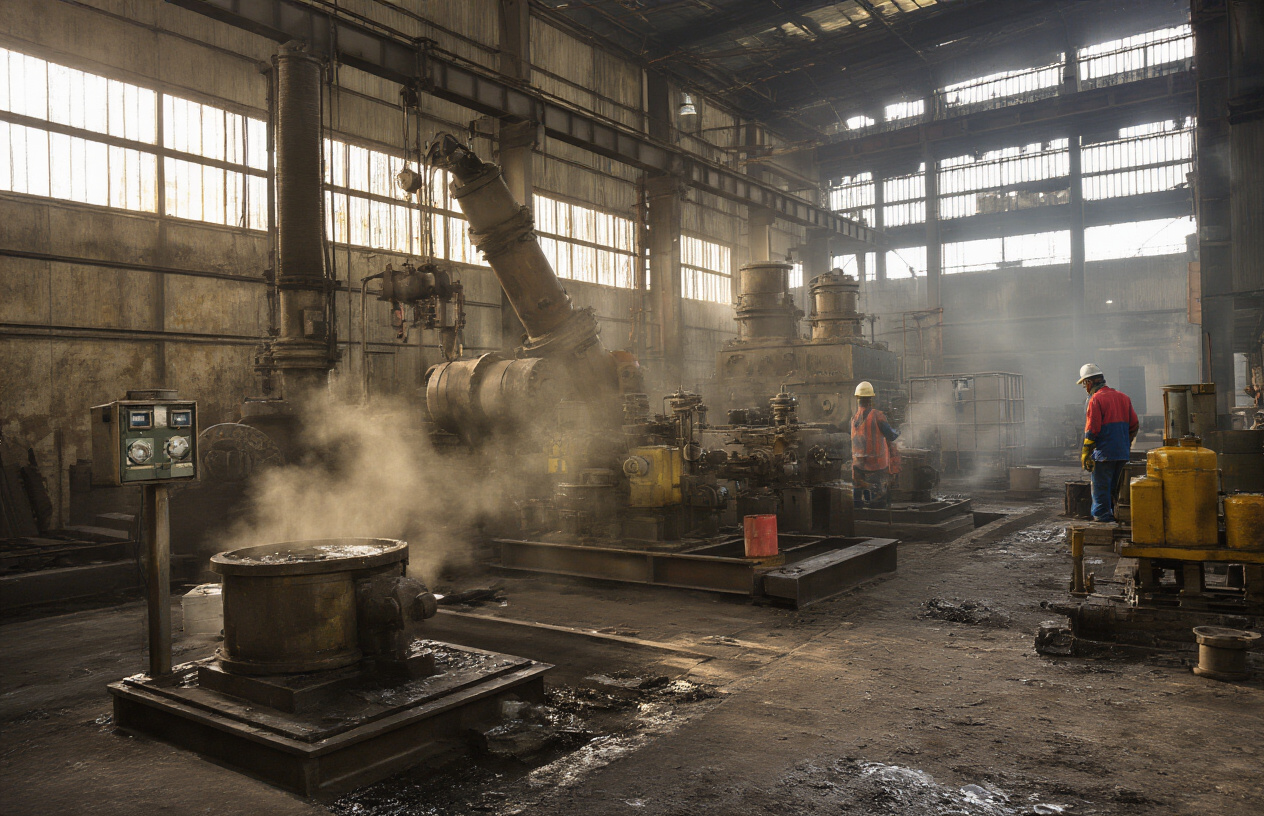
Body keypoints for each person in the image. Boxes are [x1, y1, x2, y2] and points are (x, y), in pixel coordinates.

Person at [1076, 363, 1139, 523]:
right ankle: (1114, 516)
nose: (1085, 388)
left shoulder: (1095, 400)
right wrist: (1125, 442)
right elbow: (1134, 425)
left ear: (1089, 383)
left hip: (1104, 454)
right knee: (1114, 489)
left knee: (1101, 489)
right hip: (1122, 453)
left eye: (1084, 384)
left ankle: (1103, 519)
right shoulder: (1124, 397)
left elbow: (1092, 430)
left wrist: (1086, 453)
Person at [851, 381, 899, 508]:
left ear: (858, 399)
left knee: (858, 498)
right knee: (878, 499)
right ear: (871, 399)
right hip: (876, 464)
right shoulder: (877, 415)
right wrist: (898, 432)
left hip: (858, 464)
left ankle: (860, 520)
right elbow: (891, 435)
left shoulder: (854, 418)